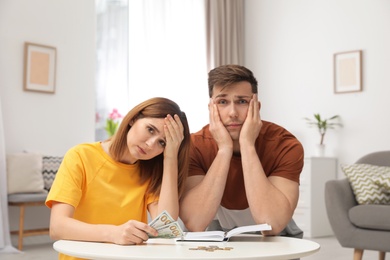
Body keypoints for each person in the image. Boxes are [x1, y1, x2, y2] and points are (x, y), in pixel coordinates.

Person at [46, 97, 190, 260]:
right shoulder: (80, 156)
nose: (151, 144)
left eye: (162, 143)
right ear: (134, 118)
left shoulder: (150, 171)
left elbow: (166, 227)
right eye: (150, 130)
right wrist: (114, 233)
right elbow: (57, 227)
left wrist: (170, 157)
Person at [179, 65, 304, 237]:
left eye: (242, 102)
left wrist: (247, 145)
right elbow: (196, 222)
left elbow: (272, 224)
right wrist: (224, 150)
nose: (232, 113)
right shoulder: (194, 146)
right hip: (215, 231)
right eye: (222, 102)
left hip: (277, 236)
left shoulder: (285, 145)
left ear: (256, 107)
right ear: (211, 107)